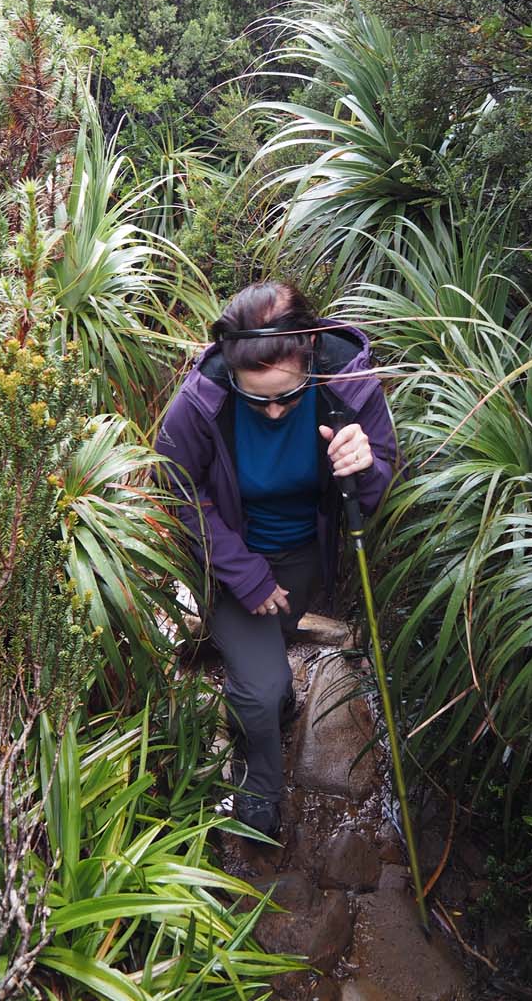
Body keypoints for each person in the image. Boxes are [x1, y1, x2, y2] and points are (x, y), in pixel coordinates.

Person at [155, 281, 397, 838]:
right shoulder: (200, 403)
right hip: (230, 561)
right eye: (255, 397)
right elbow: (177, 491)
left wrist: (365, 467)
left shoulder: (347, 385)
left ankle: (274, 696)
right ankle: (257, 784)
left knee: (280, 638)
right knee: (259, 689)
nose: (272, 410)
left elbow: (378, 482)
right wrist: (246, 575)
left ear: (308, 351)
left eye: (287, 395)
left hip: (306, 556)